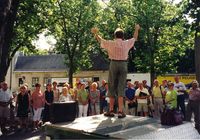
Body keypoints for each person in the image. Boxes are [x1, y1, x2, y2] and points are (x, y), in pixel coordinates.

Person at [91, 24, 140, 118]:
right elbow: (134, 38)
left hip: (113, 64)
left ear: (115, 36)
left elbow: (101, 40)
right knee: (121, 87)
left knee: (112, 86)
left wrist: (96, 33)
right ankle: (121, 111)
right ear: (123, 36)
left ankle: (111, 110)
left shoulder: (111, 43)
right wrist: (136, 29)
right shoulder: (126, 43)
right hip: (123, 64)